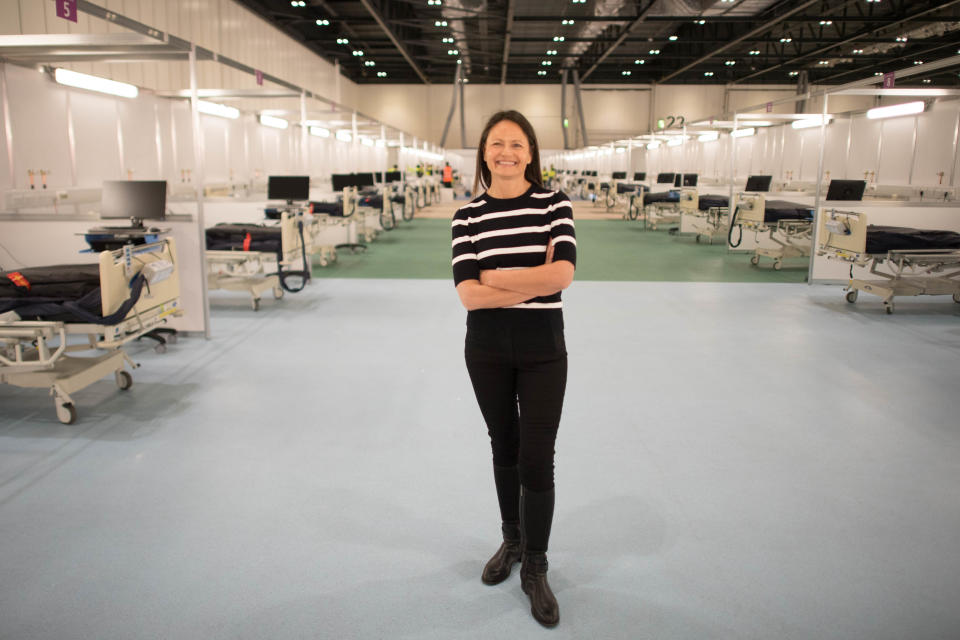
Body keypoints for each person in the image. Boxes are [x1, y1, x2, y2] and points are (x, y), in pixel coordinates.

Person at [450, 110, 576, 627]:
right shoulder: (466, 216)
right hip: (487, 348)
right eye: (497, 143)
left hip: (543, 347)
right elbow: (467, 295)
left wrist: (496, 275)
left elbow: (563, 274)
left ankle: (537, 568)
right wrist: (531, 279)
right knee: (503, 443)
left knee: (537, 455)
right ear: (484, 152)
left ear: (530, 153)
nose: (507, 152)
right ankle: (512, 541)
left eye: (517, 144)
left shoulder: (554, 203)